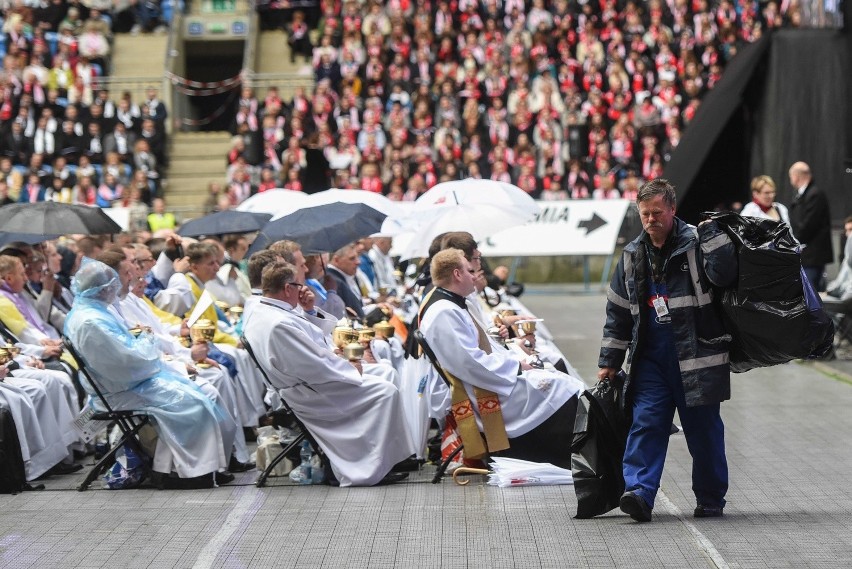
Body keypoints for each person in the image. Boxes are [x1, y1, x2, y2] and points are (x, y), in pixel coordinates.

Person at [598, 178, 738, 522]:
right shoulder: (632, 254)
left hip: (697, 357)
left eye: (656, 212)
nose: (650, 220)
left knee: (703, 431)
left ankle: (710, 499)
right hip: (651, 360)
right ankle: (639, 494)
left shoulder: (696, 243)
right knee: (646, 424)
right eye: (644, 214)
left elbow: (725, 276)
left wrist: (715, 237)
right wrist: (609, 361)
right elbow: (617, 312)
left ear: (672, 209)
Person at [64, 259, 238, 487]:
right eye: (115, 284)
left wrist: (144, 342)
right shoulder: (91, 321)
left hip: (126, 382)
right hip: (119, 390)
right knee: (192, 402)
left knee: (198, 393)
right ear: (105, 289)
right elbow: (128, 361)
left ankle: (197, 468)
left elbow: (123, 353)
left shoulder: (93, 311)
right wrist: (146, 340)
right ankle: (185, 472)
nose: (118, 289)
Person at [242, 261, 415, 486]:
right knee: (386, 392)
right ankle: (369, 467)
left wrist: (309, 310)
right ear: (287, 289)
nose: (302, 289)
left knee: (386, 375)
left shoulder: (269, 310)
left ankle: (387, 458)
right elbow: (312, 364)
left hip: (309, 382)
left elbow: (309, 342)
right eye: (297, 285)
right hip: (308, 393)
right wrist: (348, 368)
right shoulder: (277, 323)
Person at [419, 249, 586, 468]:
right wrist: (517, 366)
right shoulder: (444, 312)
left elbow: (475, 351)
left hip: (486, 378)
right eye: (470, 271)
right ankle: (562, 457)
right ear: (457, 275)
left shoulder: (452, 304)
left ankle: (572, 453)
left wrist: (515, 358)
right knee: (562, 387)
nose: (476, 275)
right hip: (479, 388)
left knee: (560, 380)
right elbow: (471, 363)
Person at [788, 161, 833, 292]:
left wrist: (793, 241)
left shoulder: (814, 194)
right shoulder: (804, 194)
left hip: (812, 256)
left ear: (796, 176)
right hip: (808, 254)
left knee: (811, 294)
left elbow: (808, 226)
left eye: (791, 176)